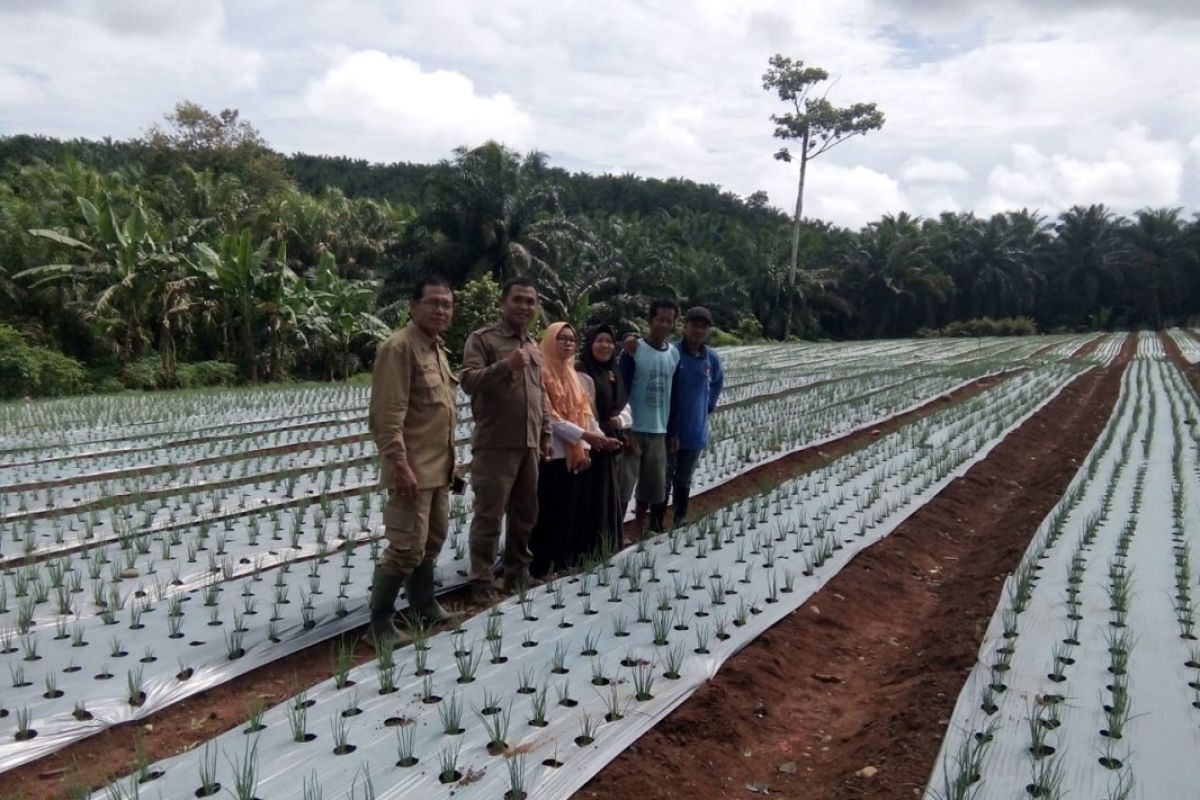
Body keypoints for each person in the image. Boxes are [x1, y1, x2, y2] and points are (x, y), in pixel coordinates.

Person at [366, 277, 458, 642]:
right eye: (433, 303)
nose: (440, 310)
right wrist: (399, 465)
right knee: (405, 547)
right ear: (413, 306)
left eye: (446, 305)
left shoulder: (437, 349)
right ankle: (380, 624)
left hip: (438, 469)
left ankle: (424, 605)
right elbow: (387, 415)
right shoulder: (399, 348)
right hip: (412, 470)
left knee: (431, 541)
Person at [460, 277, 554, 604]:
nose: (525, 306)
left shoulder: (533, 345)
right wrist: (506, 365)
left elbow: (540, 394)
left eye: (531, 301)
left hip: (528, 443)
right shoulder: (482, 339)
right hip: (495, 443)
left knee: (525, 512)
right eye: (518, 300)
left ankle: (517, 573)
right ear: (503, 303)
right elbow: (469, 381)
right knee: (489, 514)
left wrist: (545, 434)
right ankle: (482, 580)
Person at [529, 322, 623, 577]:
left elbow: (585, 413)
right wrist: (586, 436)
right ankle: (542, 566)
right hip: (553, 452)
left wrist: (600, 439)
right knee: (549, 509)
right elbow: (550, 417)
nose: (568, 343)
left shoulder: (573, 374)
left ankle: (562, 561)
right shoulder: (540, 373)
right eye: (562, 339)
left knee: (570, 510)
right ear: (550, 341)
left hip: (576, 453)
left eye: (572, 339)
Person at [619, 298, 681, 537]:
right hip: (634, 428)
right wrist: (625, 427)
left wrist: (673, 431)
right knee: (624, 485)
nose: (664, 325)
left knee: (650, 486)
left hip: (658, 429)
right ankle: (616, 532)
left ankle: (639, 529)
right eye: (659, 319)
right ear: (650, 321)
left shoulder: (673, 354)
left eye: (669, 320)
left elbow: (674, 395)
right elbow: (622, 390)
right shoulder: (633, 350)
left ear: (674, 323)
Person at [660, 306, 725, 529]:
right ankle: (656, 523)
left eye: (703, 326)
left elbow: (718, 381)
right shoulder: (673, 352)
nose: (698, 330)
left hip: (695, 429)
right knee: (665, 478)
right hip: (670, 427)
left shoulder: (711, 358)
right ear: (685, 327)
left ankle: (680, 518)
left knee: (684, 479)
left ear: (708, 331)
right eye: (694, 325)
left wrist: (709, 404)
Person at [577, 324, 634, 551]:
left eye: (609, 341)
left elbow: (622, 401)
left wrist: (620, 423)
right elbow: (583, 408)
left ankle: (607, 541)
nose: (605, 345)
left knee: (608, 492)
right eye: (599, 340)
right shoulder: (582, 369)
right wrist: (600, 434)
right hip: (592, 440)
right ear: (590, 344)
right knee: (591, 493)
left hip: (611, 439)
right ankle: (589, 545)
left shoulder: (613, 369)